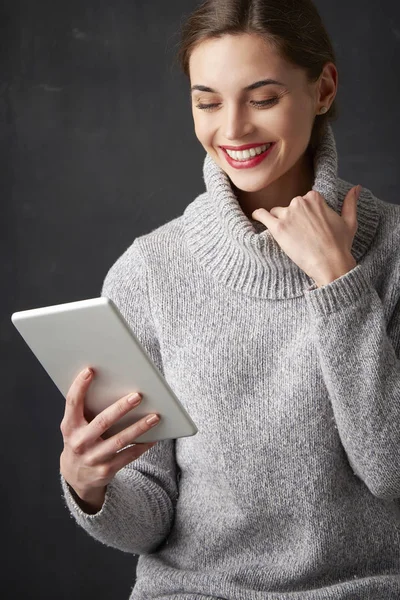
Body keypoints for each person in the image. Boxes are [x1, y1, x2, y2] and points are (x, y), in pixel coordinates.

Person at [59, 0, 400, 598]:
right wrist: (91, 486)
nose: (233, 130)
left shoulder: (393, 252)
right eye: (208, 102)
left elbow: (392, 472)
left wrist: (338, 282)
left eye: (263, 99)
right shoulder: (148, 272)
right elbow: (151, 519)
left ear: (322, 88)